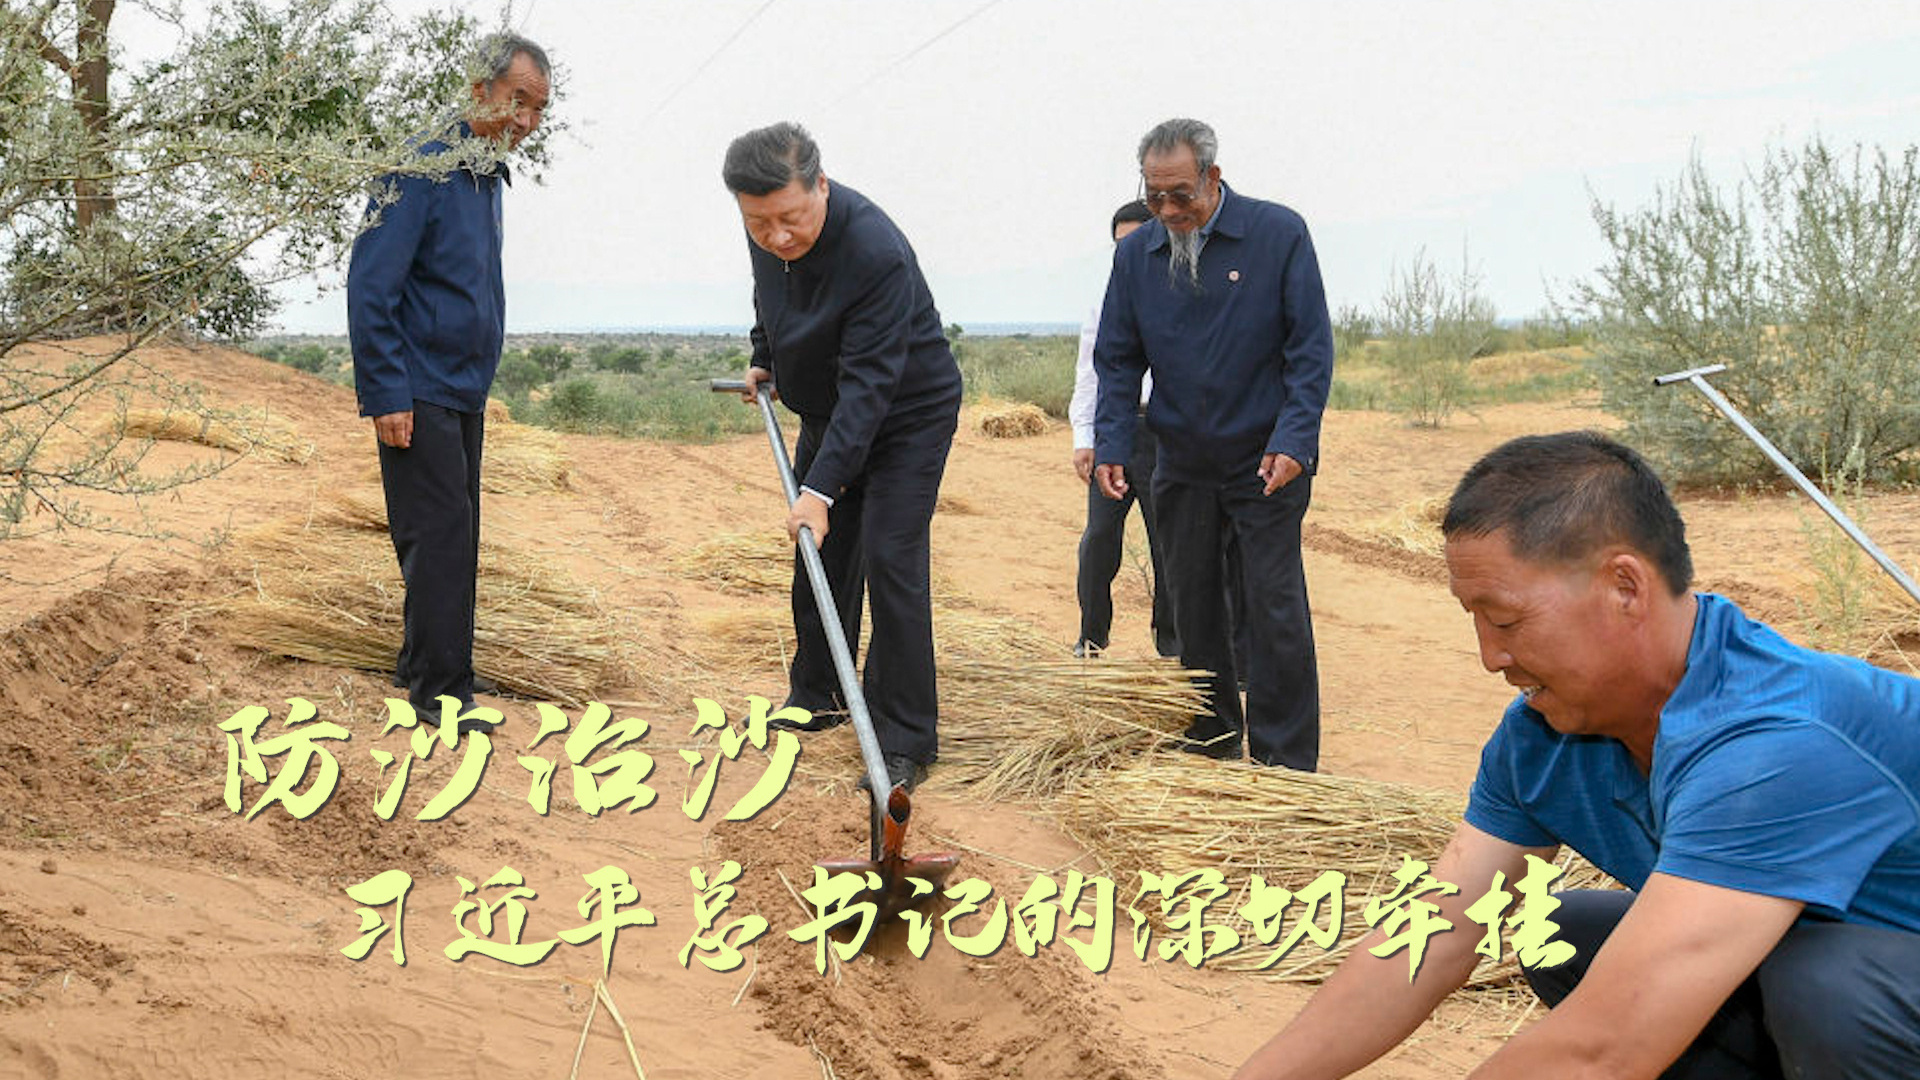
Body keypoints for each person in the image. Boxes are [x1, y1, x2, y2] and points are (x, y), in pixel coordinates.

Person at [1235, 431, 1920, 1080]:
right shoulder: (1545, 733)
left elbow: (1604, 1046)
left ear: (1625, 587)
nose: (1489, 656)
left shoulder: (1775, 745)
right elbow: (1431, 939)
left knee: (1832, 987)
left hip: (1869, 985)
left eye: (1505, 620)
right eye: (1473, 620)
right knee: (1563, 932)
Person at [723, 122, 963, 795]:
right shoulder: (770, 227)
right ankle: (820, 693)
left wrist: (821, 490)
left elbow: (871, 388)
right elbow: (770, 295)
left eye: (790, 218)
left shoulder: (874, 251)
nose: (776, 237)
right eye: (758, 222)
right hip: (834, 409)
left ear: (821, 186)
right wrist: (764, 356)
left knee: (889, 557)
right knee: (820, 554)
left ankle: (904, 739)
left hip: (905, 413)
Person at [1092, 118, 1333, 769]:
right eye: (1154, 197)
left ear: (1213, 178)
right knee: (1192, 604)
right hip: (1181, 459)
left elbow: (1310, 351)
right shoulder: (1135, 255)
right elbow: (1116, 360)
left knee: (1273, 607)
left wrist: (1295, 439)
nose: (1169, 211)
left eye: (1181, 195)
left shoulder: (1278, 235)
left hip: (1266, 463)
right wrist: (1111, 442)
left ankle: (1285, 758)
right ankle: (1213, 732)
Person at [348, 33, 551, 730]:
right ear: (480, 91)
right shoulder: (423, 166)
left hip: (462, 389)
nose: (526, 120)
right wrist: (386, 392)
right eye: (517, 100)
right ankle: (441, 695)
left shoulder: (485, 175)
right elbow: (371, 284)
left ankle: (428, 663)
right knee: (438, 535)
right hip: (419, 385)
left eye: (538, 109)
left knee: (453, 534)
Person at [1069, 200, 1175, 659]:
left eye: (1134, 243)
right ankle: (1091, 636)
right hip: (1115, 431)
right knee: (1098, 540)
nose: (1125, 253)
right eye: (1118, 246)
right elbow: (1089, 373)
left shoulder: (1181, 296)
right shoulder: (1105, 301)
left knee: (1166, 544)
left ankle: (1171, 643)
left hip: (1166, 434)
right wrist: (1084, 438)